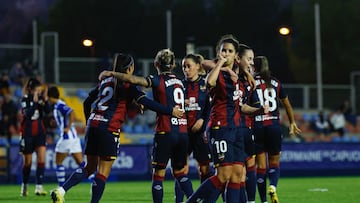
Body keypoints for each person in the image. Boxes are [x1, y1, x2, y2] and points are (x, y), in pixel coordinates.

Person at [50, 53, 184, 203]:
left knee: (89, 168)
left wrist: (90, 121)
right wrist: (170, 110)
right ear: (130, 68)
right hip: (109, 128)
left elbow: (87, 102)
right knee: (102, 172)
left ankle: (61, 191)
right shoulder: (128, 85)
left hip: (93, 126)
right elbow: (146, 102)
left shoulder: (105, 81)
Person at [98, 49, 194, 203]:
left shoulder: (157, 80)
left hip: (165, 132)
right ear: (174, 64)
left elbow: (135, 80)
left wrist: (112, 73)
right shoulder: (180, 82)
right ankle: (193, 200)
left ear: (156, 64)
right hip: (183, 132)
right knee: (180, 174)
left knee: (158, 175)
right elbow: (168, 102)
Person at [187, 35, 267, 203]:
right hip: (220, 128)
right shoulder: (218, 72)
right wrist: (221, 64)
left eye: (230, 51)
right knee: (222, 175)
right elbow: (210, 82)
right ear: (219, 52)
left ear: (236, 56)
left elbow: (242, 107)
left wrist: (259, 109)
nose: (226, 53)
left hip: (237, 129)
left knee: (237, 175)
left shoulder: (241, 80)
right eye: (223, 50)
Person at [252, 56, 301, 203]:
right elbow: (287, 105)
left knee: (260, 167)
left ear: (254, 67)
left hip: (258, 126)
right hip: (273, 126)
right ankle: (272, 186)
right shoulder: (276, 83)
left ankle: (263, 201)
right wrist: (292, 122)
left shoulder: (251, 82)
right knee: (274, 163)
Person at [173, 53, 212, 203]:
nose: (186, 69)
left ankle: (203, 199)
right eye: (184, 66)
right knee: (181, 169)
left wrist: (203, 119)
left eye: (189, 66)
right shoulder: (179, 85)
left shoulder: (205, 85)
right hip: (183, 132)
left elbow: (211, 106)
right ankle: (180, 201)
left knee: (204, 169)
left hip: (201, 133)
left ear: (198, 66)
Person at [47, 86, 85, 186]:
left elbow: (71, 112)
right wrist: (57, 123)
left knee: (58, 162)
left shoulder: (59, 105)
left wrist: (67, 127)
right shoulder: (58, 106)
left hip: (66, 138)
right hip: (74, 138)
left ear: (50, 97)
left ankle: (61, 187)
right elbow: (67, 116)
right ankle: (94, 181)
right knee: (82, 165)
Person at [19, 77, 51, 196]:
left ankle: (39, 187)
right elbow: (28, 114)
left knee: (41, 159)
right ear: (31, 90)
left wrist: (46, 100)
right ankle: (25, 186)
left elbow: (48, 111)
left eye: (39, 90)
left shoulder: (41, 99)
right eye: (36, 90)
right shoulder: (25, 99)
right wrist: (35, 102)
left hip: (39, 132)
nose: (38, 92)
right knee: (28, 162)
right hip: (27, 133)